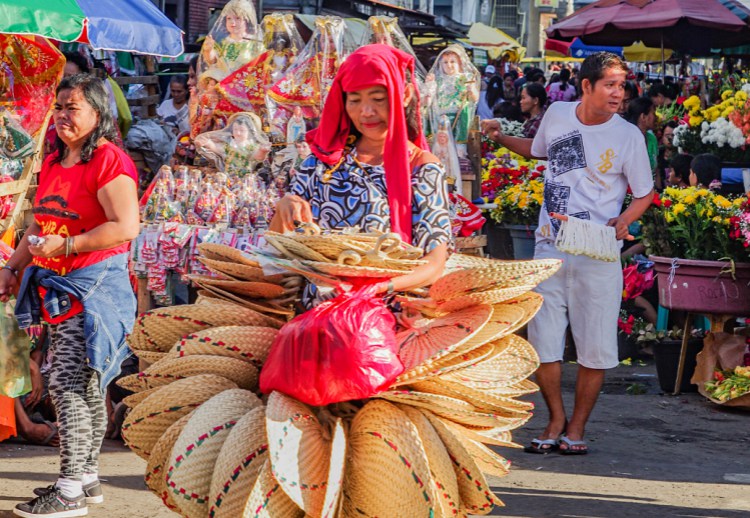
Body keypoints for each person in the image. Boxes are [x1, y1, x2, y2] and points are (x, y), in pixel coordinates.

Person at [481, 52, 654, 455]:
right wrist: (498, 137)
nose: (618, 92)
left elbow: (645, 193)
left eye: (621, 84)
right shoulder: (558, 114)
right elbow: (539, 151)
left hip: (598, 248)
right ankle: (555, 418)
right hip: (549, 243)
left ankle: (576, 427)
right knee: (544, 341)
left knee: (595, 345)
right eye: (609, 84)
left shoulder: (627, 136)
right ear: (587, 86)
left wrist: (625, 219)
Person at [0, 74, 139, 517]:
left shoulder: (109, 161)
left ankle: (69, 491)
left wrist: (69, 246)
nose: (62, 115)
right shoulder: (57, 162)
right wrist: (12, 267)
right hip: (61, 289)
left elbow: (124, 226)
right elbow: (40, 225)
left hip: (96, 288)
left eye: (72, 107)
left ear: (99, 114)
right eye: (58, 107)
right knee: (81, 385)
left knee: (67, 385)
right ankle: (87, 477)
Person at [271, 44, 451, 301]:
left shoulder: (423, 168)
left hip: (387, 320)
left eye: (378, 99)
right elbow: (278, 249)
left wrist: (376, 289)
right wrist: (285, 206)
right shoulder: (321, 164)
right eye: (354, 100)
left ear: (406, 95)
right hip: (320, 318)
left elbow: (434, 265)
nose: (366, 111)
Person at [624, 96, 659, 189]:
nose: (656, 117)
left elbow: (655, 170)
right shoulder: (627, 140)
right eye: (653, 113)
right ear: (643, 117)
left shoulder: (652, 138)